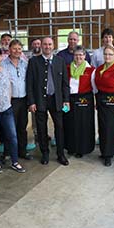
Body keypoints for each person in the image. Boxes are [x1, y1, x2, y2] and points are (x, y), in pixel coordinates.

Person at [27, 37, 70, 166]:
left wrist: (66, 100)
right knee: (41, 128)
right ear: (41, 46)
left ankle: (60, 154)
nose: (47, 46)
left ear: (53, 46)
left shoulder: (59, 61)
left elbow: (65, 83)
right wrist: (31, 102)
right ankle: (44, 153)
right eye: (45, 44)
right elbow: (29, 83)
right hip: (40, 100)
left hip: (56, 99)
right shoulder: (34, 61)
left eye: (49, 44)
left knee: (60, 127)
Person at [0, 46, 26, 173]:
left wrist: (8, 101)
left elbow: (9, 87)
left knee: (12, 135)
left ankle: (15, 161)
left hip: (7, 109)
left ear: (1, 56)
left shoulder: (5, 70)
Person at [93, 46, 114, 166]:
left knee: (111, 128)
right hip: (101, 100)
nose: (107, 57)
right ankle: (104, 151)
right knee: (102, 127)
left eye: (110, 54)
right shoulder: (99, 69)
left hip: (113, 101)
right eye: (105, 54)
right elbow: (94, 85)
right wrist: (97, 99)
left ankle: (109, 154)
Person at [2, 39, 34, 160]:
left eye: (19, 49)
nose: (17, 51)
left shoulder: (25, 64)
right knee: (9, 128)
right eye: (14, 48)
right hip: (10, 100)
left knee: (22, 127)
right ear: (9, 49)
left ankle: (22, 151)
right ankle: (8, 152)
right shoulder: (3, 64)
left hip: (23, 100)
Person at [64, 46, 95, 158]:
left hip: (85, 99)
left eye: (81, 55)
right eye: (76, 55)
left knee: (83, 124)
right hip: (70, 100)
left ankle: (82, 148)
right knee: (70, 123)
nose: (78, 57)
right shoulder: (67, 68)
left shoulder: (91, 69)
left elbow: (94, 87)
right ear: (73, 56)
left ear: (85, 56)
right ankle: (71, 147)